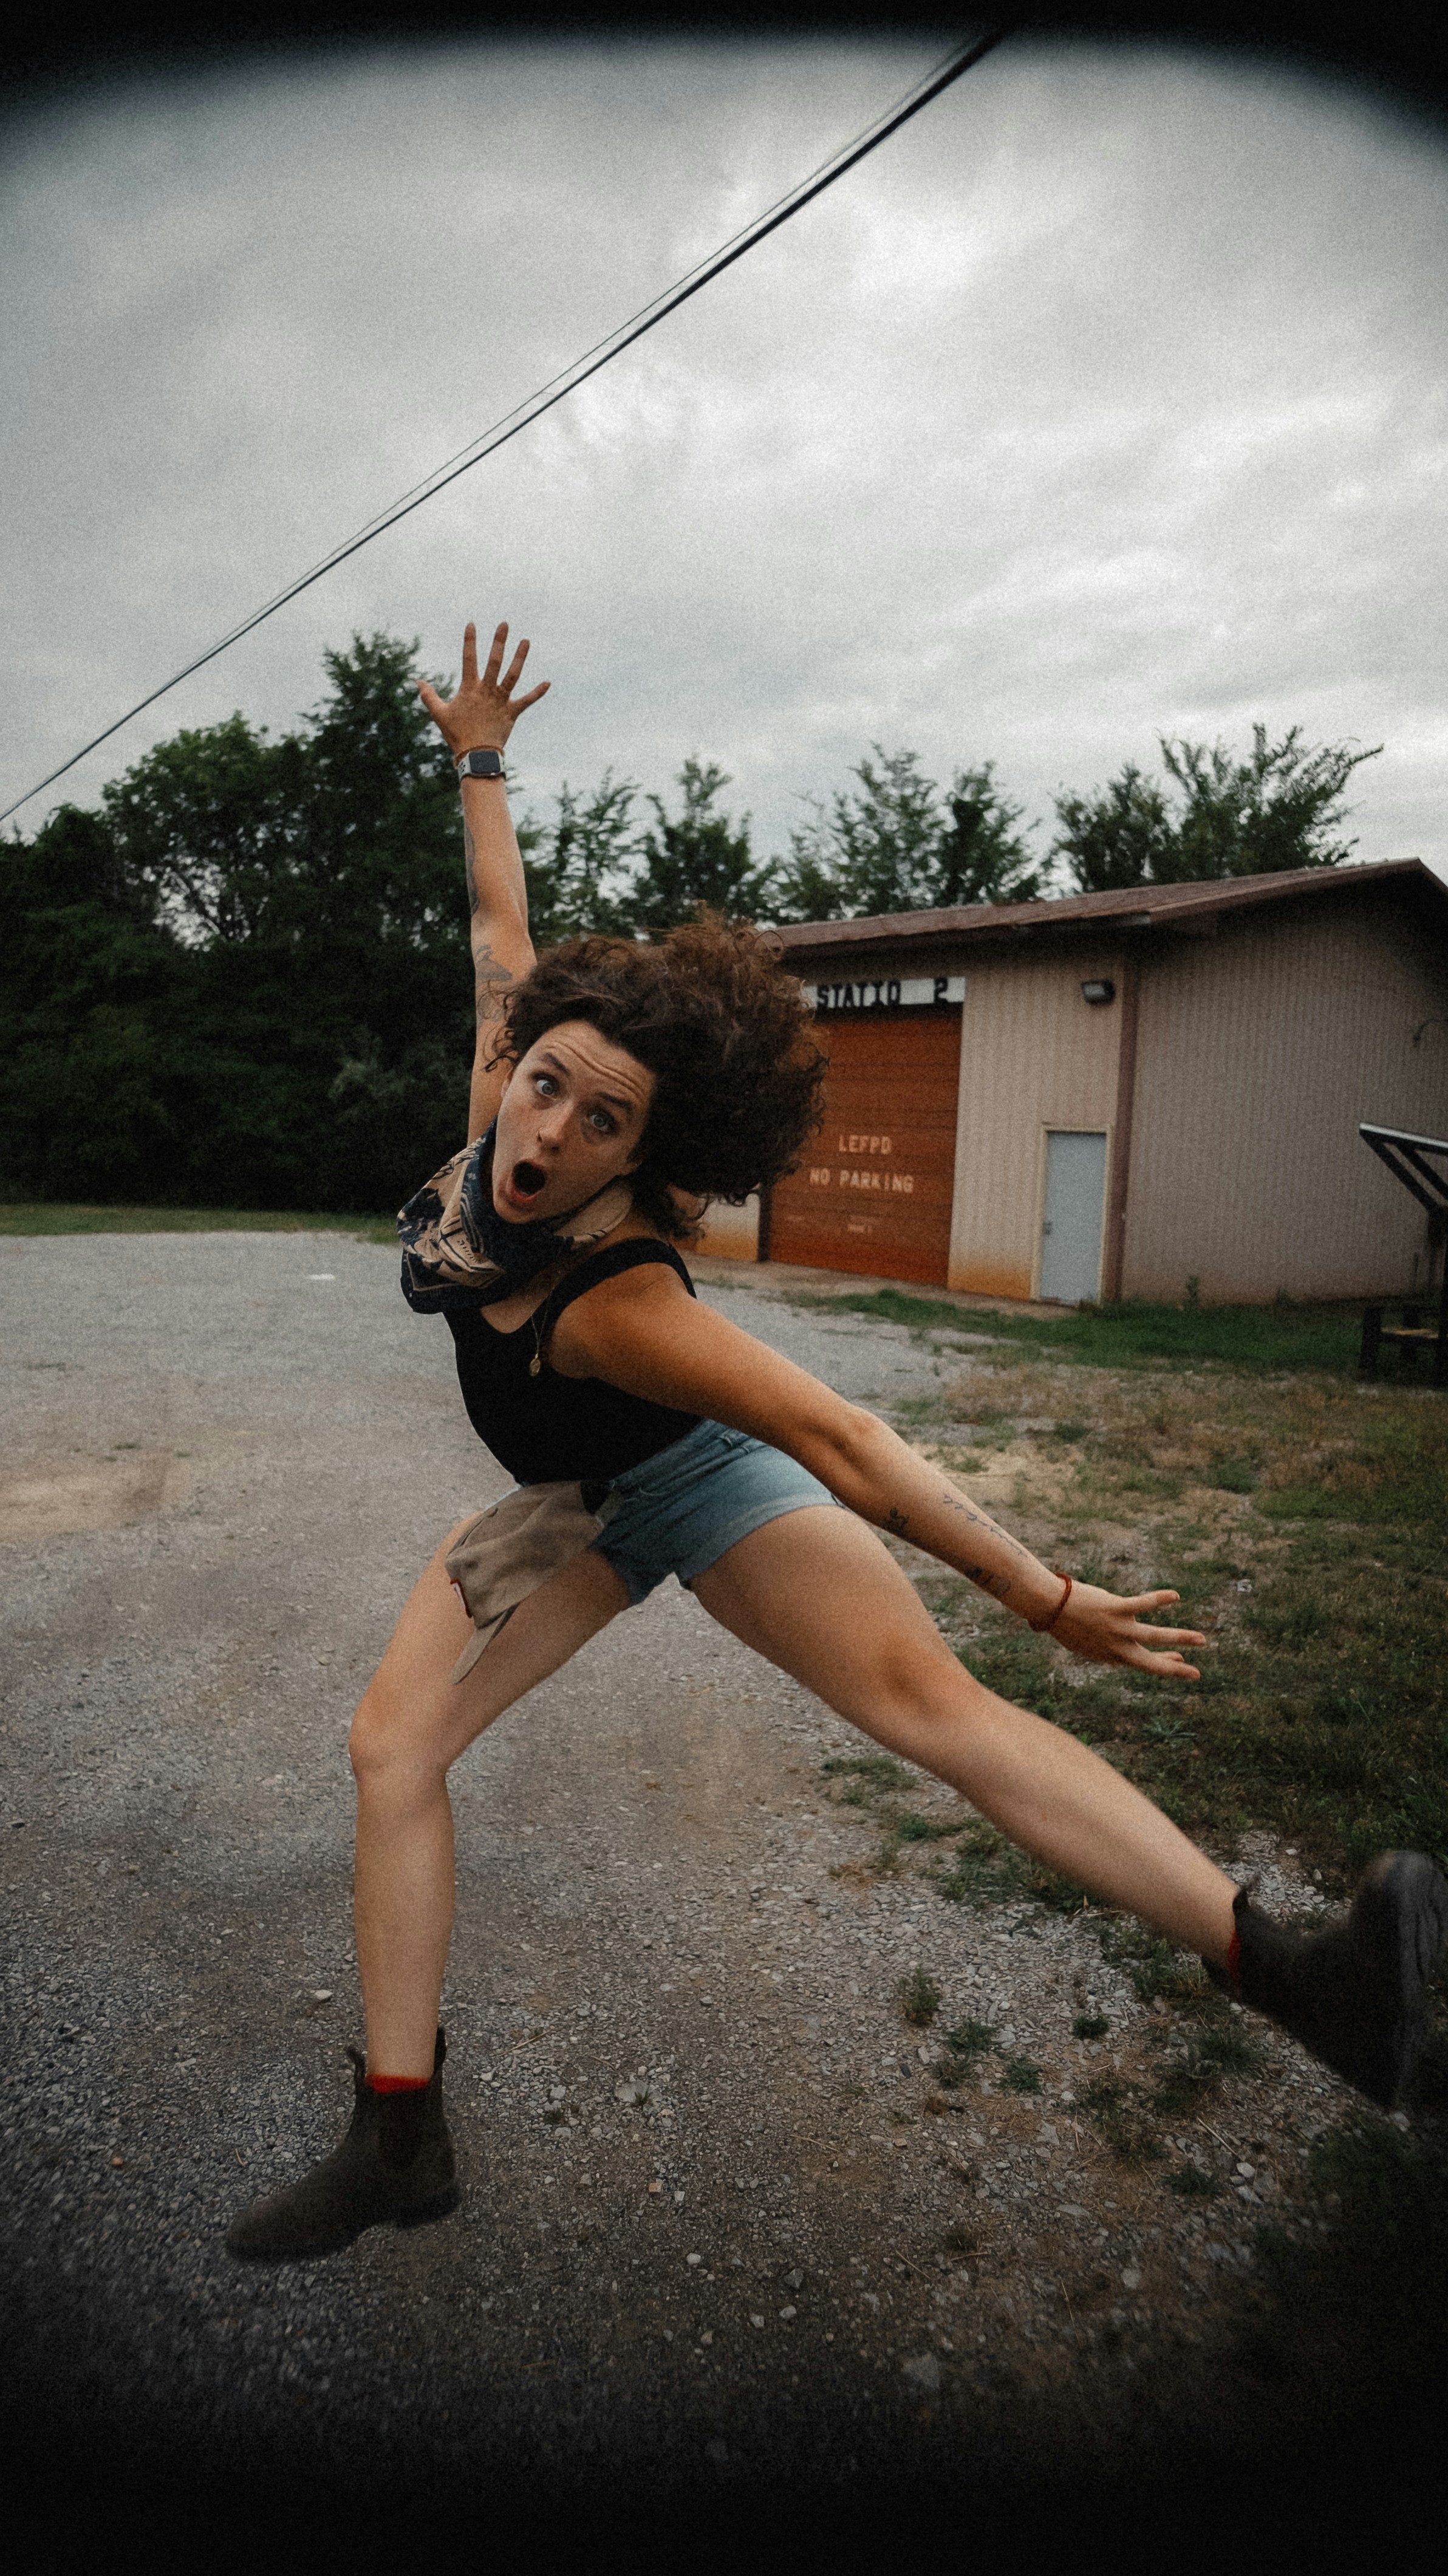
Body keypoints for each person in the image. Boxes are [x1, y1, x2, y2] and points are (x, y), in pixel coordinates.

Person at [227, 618, 1448, 2258]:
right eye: (548, 1088)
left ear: (649, 1156)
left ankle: (1306, 1975)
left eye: (606, 1124)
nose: (555, 1131)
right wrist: (479, 759)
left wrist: (1042, 1593)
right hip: (566, 1511)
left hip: (696, 1483)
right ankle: (399, 2138)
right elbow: (498, 926)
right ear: (514, 1066)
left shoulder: (621, 1301)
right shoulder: (494, 1100)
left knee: (929, 1708)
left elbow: (846, 1436)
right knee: (392, 1753)